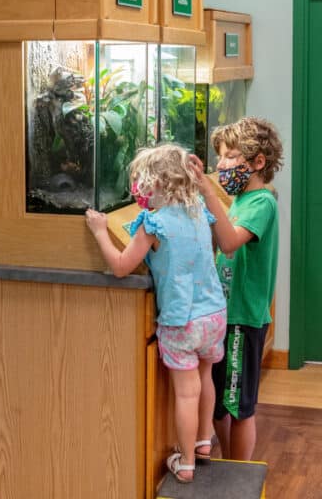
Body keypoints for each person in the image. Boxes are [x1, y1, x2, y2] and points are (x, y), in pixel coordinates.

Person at [85, 143, 226, 483]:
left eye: (140, 181)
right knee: (205, 378)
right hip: (215, 316)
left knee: (186, 392)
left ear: (156, 183)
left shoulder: (153, 223)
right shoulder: (197, 213)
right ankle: (205, 441)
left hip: (183, 322)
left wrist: (101, 232)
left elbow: (121, 267)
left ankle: (186, 462)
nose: (137, 189)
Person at [188, 116, 284, 462]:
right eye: (220, 157)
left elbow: (229, 243)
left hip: (244, 318)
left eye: (230, 156)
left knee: (239, 406)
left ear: (258, 162)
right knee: (219, 407)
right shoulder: (240, 201)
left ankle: (238, 474)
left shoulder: (262, 203)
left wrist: (206, 190)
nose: (222, 164)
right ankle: (227, 466)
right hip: (223, 317)